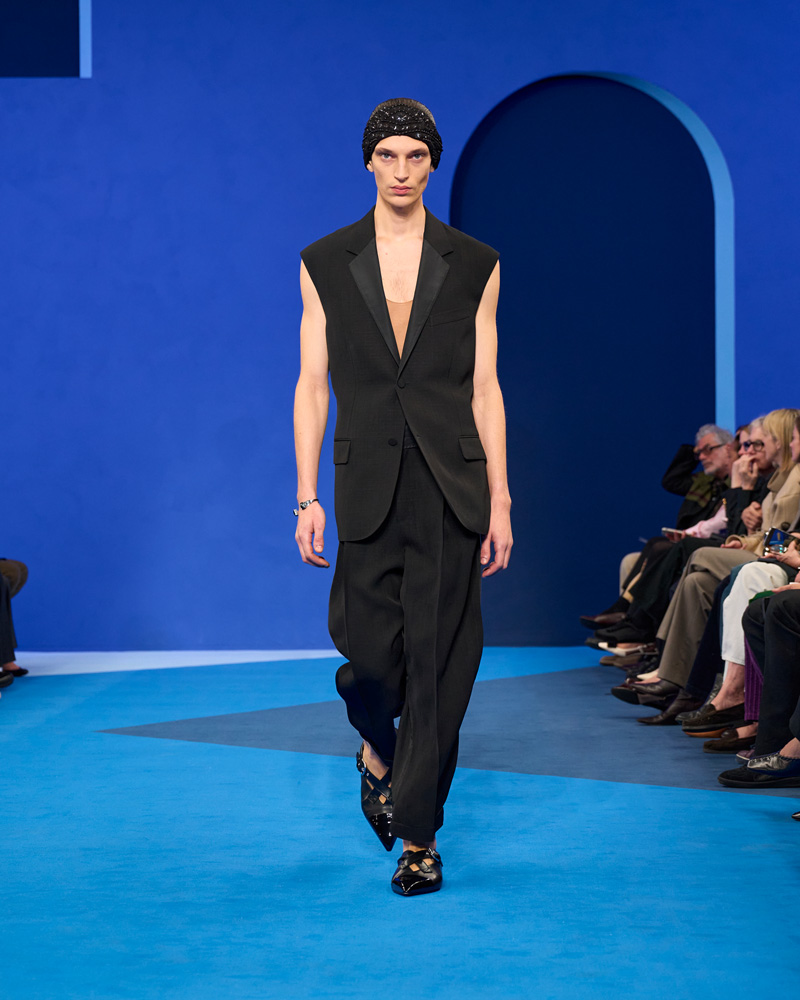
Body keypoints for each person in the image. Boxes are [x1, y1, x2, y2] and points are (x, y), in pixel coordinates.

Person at [293, 99, 512, 895]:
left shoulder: (475, 261)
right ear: (367, 161)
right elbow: (312, 383)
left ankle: (419, 836)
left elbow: (484, 387)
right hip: (365, 486)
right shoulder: (325, 259)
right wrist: (305, 495)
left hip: (452, 486)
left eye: (415, 156)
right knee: (371, 661)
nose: (401, 170)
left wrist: (502, 499)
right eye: (387, 155)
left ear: (432, 163)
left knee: (442, 667)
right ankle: (376, 746)